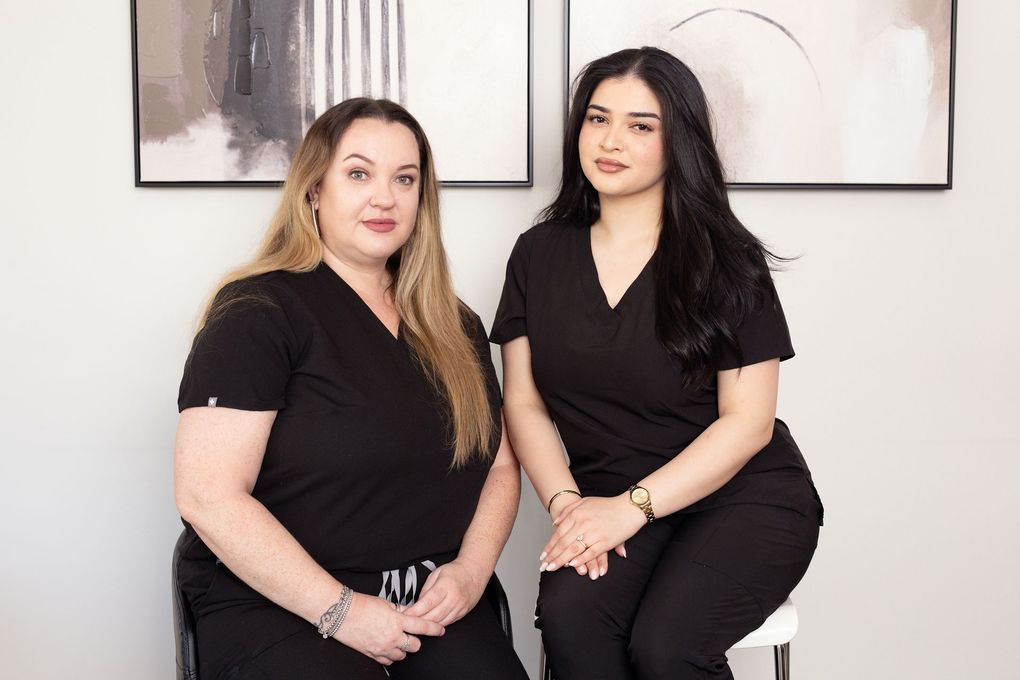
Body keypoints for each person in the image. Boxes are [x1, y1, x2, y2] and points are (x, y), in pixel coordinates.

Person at [491, 47, 824, 680]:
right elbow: (524, 402)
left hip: (742, 500)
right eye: (597, 119)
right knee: (571, 620)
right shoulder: (538, 253)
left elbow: (748, 424)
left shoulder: (728, 259)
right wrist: (569, 507)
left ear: (680, 142)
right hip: (605, 499)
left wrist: (630, 508)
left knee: (666, 648)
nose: (610, 141)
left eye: (641, 126)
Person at [174, 97, 529, 680]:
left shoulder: (454, 324)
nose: (384, 197)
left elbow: (498, 469)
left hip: (423, 600)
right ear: (315, 189)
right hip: (280, 604)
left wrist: (470, 570)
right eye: (359, 173)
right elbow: (207, 495)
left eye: (404, 179)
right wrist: (339, 610)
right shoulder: (257, 313)